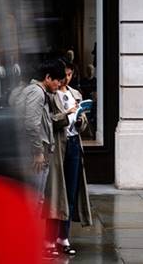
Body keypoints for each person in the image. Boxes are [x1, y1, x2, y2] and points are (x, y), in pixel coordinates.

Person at [13, 58, 66, 258]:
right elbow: (31, 124)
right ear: (47, 77)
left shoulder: (32, 91)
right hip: (35, 155)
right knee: (35, 201)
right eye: (57, 81)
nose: (59, 85)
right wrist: (38, 152)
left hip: (33, 152)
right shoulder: (37, 93)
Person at [52, 60, 93, 256]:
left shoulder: (75, 94)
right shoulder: (50, 95)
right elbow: (49, 121)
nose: (65, 78)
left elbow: (83, 123)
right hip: (60, 146)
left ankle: (64, 237)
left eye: (69, 75)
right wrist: (66, 115)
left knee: (70, 191)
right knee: (56, 192)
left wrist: (79, 119)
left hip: (75, 143)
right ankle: (50, 237)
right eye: (63, 74)